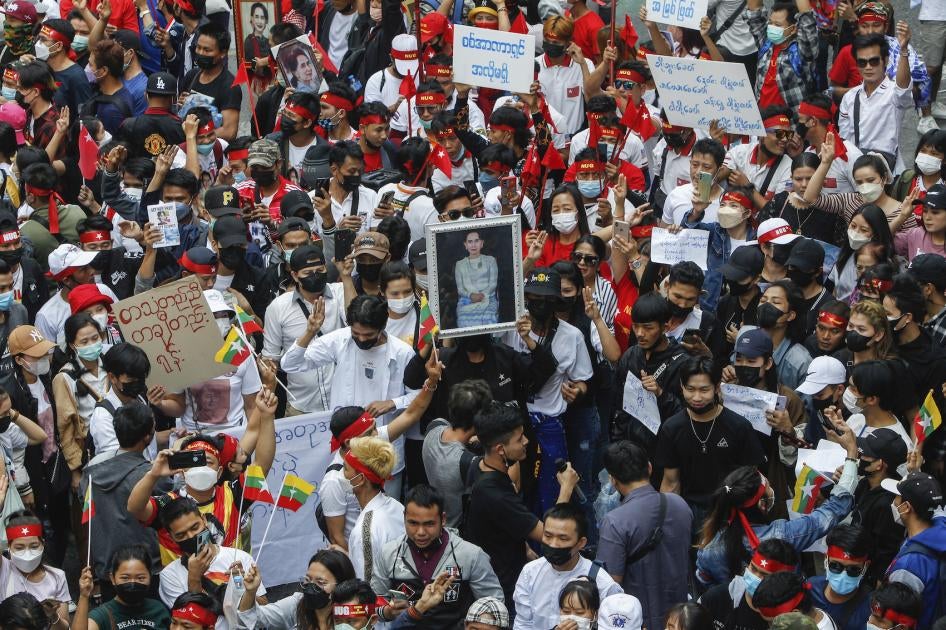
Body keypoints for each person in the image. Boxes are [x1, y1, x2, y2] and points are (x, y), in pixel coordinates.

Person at [695, 417, 858, 587]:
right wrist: (852, 454)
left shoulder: (707, 547)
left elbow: (704, 580)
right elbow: (833, 510)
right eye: (768, 487)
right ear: (762, 504)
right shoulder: (782, 536)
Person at [467, 403, 579, 613]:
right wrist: (566, 488)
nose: (526, 441)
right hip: (504, 590)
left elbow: (505, 524)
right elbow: (550, 534)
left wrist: (525, 549)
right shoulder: (495, 495)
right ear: (500, 449)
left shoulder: (482, 467)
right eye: (519, 439)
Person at [656, 355, 765, 533]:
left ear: (716, 388)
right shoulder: (671, 428)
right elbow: (670, 482)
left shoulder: (738, 427)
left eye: (704, 390)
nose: (696, 397)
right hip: (689, 510)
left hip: (729, 510)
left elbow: (752, 476)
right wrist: (667, 522)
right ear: (682, 387)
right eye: (690, 389)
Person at [372, 485, 503, 626]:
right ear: (404, 518)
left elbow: (495, 606)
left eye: (429, 524)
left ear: (443, 519)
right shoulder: (388, 554)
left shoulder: (471, 556)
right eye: (413, 523)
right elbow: (374, 603)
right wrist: (388, 612)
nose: (421, 532)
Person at [596, 441, 692, 630]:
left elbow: (611, 586)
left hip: (638, 621)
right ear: (649, 467)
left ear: (613, 480)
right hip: (680, 619)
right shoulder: (681, 505)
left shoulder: (615, 521)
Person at [512, 503, 622, 629]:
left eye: (563, 539)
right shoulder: (530, 572)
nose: (553, 544)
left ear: (581, 543)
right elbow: (523, 624)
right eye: (548, 536)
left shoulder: (602, 582)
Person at [610, 293, 689, 453]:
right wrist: (618, 445)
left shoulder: (683, 363)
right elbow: (619, 405)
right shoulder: (631, 355)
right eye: (635, 326)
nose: (639, 333)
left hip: (664, 452)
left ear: (665, 327)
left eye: (648, 328)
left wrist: (660, 394)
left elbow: (687, 414)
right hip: (630, 450)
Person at [838, 31, 914, 173]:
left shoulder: (893, 93)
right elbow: (845, 140)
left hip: (888, 171)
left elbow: (903, 89)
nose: (868, 67)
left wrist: (904, 51)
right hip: (857, 172)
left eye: (873, 61)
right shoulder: (849, 97)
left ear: (885, 61)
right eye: (862, 62)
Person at [882, 472, 946, 630]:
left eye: (897, 497)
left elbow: (896, 621)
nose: (893, 502)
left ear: (906, 507)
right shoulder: (940, 528)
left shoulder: (909, 566)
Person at [236, 549, 356, 629]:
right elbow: (253, 620)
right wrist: (250, 592)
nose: (311, 587)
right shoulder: (298, 603)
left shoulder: (354, 614)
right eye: (307, 580)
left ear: (341, 585)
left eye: (320, 582)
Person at [343, 435, 404, 581]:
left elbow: (366, 588)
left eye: (345, 469)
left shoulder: (363, 532)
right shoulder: (397, 506)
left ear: (361, 479)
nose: (342, 475)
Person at [0, 510, 70, 630]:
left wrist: (52, 615)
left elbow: (64, 627)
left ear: (42, 544)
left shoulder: (57, 577)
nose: (27, 553)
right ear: (9, 548)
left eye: (34, 546)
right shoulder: (4, 569)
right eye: (19, 547)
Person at [74, 545, 170, 630]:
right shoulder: (102, 615)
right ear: (113, 578)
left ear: (150, 577)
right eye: (125, 578)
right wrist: (84, 596)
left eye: (140, 578)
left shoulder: (159, 609)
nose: (132, 583)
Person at [806, 524, 873, 630]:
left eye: (853, 569)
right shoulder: (810, 588)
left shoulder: (870, 610)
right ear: (826, 560)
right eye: (835, 566)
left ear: (866, 566)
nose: (843, 574)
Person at [455, 230, 499, 328]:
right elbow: (460, 289)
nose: (473, 245)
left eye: (476, 241)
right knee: (462, 317)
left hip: (488, 299)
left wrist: (482, 295)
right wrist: (471, 295)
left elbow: (493, 284)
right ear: (465, 245)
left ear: (482, 243)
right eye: (470, 242)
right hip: (467, 301)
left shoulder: (490, 260)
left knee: (489, 317)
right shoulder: (460, 264)